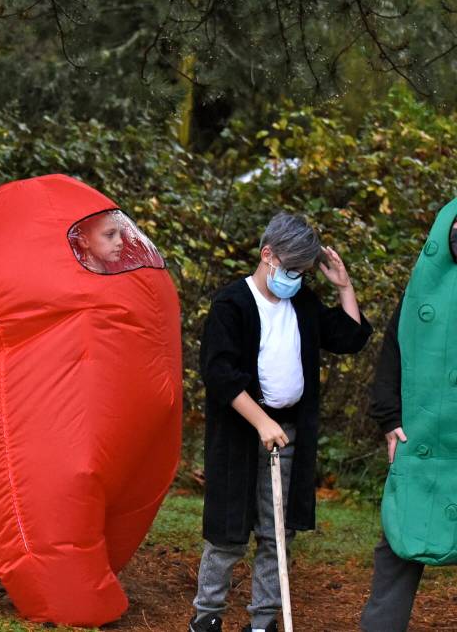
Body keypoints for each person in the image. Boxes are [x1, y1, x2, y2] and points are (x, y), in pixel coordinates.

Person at [189, 212, 371, 632]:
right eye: (291, 270)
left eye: (303, 273)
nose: (296, 279)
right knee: (228, 533)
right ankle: (207, 616)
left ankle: (263, 621)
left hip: (288, 434)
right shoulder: (231, 305)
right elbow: (219, 374)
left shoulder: (301, 302)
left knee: (277, 532)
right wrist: (260, 421)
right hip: (240, 435)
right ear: (267, 254)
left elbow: (350, 336)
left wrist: (344, 287)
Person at [360, 203, 457, 631]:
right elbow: (393, 355)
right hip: (420, 446)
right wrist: (388, 419)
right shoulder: (422, 292)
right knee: (399, 547)